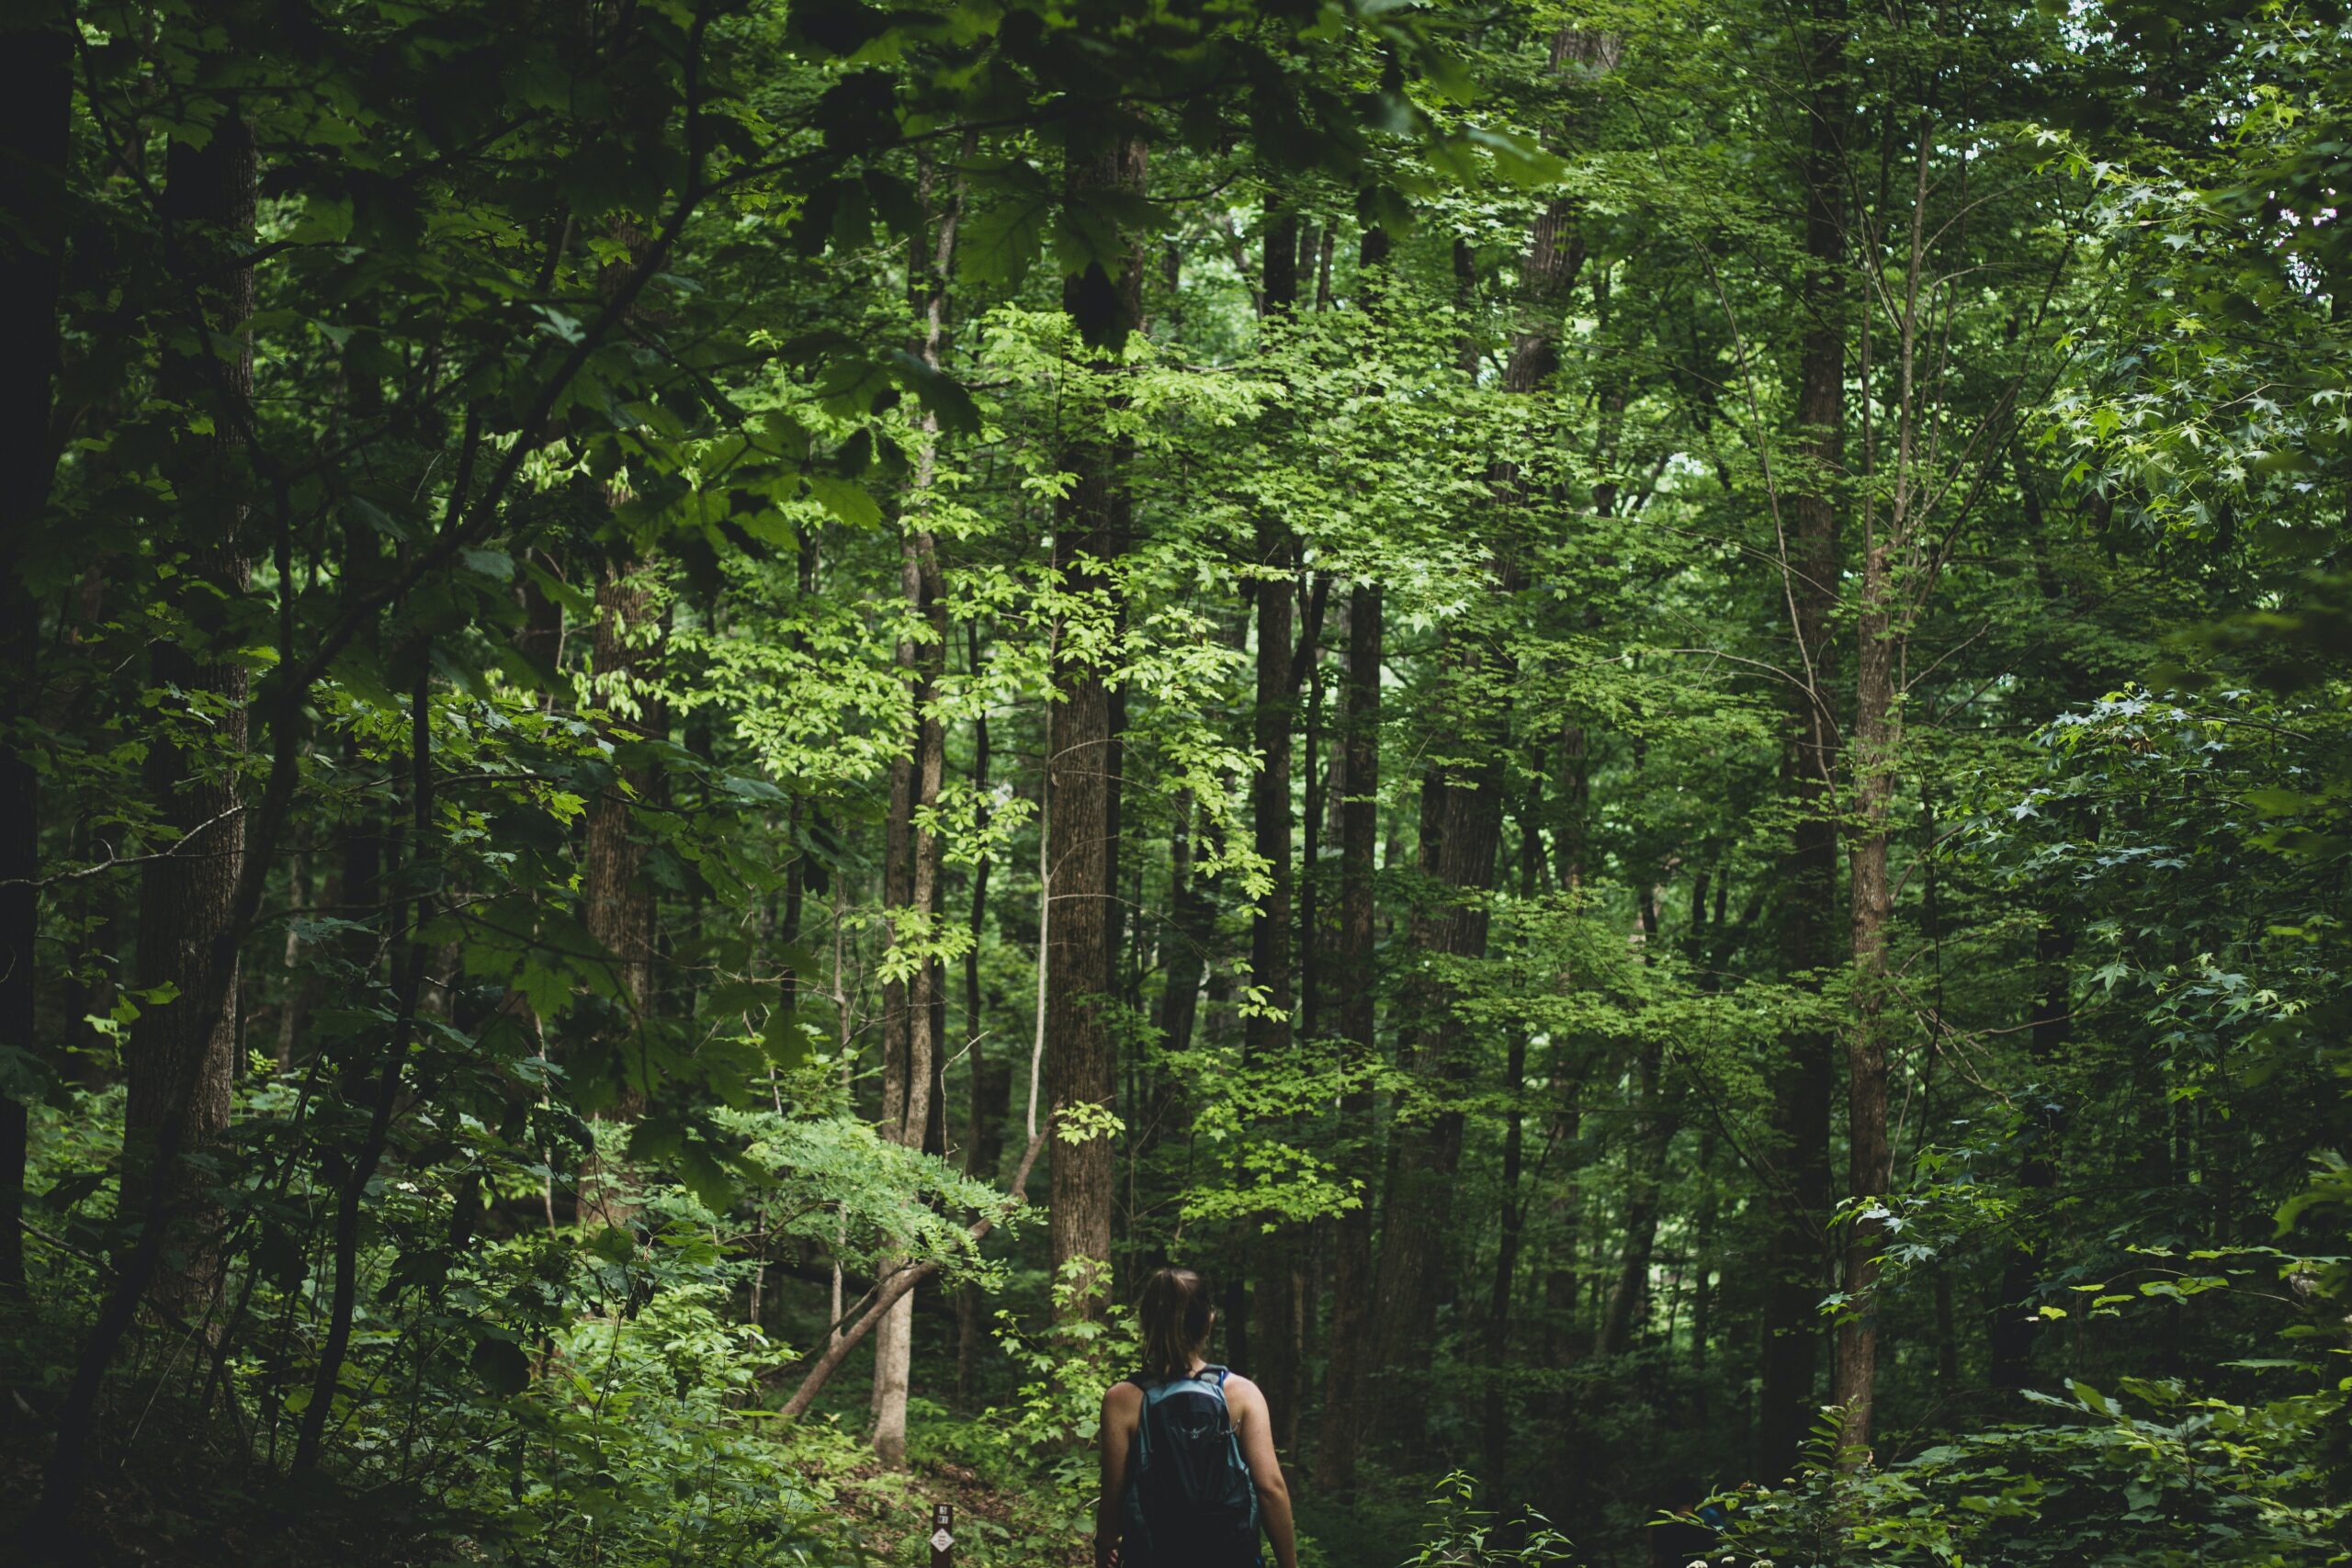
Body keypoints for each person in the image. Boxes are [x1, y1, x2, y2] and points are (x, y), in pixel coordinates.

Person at [1095, 1268, 1298, 1568]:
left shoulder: (1122, 1399)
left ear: (1146, 1321)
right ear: (1209, 1320)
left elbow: (1113, 1491)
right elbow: (1270, 1488)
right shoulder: (1242, 1394)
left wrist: (1105, 1544)